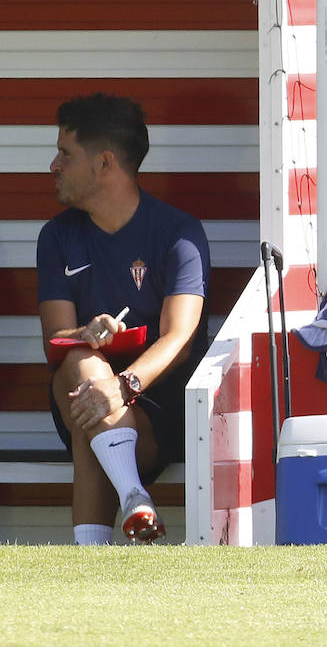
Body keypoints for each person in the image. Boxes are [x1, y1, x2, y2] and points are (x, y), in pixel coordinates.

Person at [37, 93, 211, 544]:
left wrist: (123, 386)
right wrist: (86, 333)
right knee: (81, 367)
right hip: (83, 396)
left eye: (65, 153)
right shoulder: (56, 237)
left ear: (104, 164)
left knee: (90, 404)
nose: (53, 165)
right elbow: (55, 337)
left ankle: (94, 555)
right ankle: (134, 498)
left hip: (155, 411)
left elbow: (181, 338)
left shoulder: (178, 233)